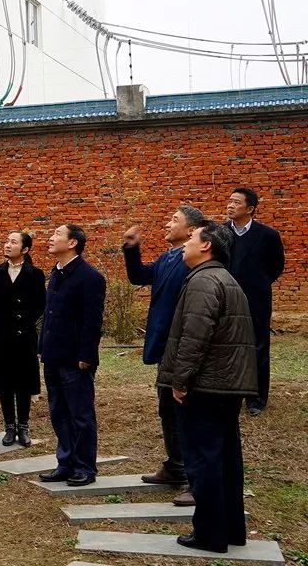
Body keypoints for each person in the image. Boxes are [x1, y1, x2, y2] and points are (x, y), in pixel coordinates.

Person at [157, 221, 257, 554]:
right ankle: (230, 531)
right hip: (225, 387)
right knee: (225, 459)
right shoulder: (224, 278)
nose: (184, 243)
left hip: (205, 387)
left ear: (206, 246)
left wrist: (180, 380)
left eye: (191, 238)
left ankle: (210, 534)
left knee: (203, 461)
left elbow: (194, 336)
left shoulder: (204, 281)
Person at [123, 205, 207, 505]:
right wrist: (132, 249)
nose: (168, 224)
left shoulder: (194, 260)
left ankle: (193, 477)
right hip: (164, 346)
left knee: (185, 413)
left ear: (192, 230)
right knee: (167, 410)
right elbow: (140, 277)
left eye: (175, 220)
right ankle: (175, 466)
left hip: (182, 346)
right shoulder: (169, 256)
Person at [38, 224, 106, 487]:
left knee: (80, 414)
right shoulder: (56, 273)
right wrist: (42, 346)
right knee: (58, 411)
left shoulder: (89, 277)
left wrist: (86, 355)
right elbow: (51, 314)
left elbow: (92, 321)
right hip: (53, 355)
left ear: (73, 243)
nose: (51, 238)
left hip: (76, 360)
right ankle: (65, 462)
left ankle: (85, 467)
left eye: (57, 235)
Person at [225, 187, 285, 416]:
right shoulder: (221, 233)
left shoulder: (267, 235)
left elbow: (276, 266)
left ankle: (256, 399)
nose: (230, 205)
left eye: (236, 202)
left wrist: (258, 283)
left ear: (250, 209)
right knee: (228, 345)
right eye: (229, 201)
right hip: (227, 298)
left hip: (256, 299)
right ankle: (230, 392)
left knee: (258, 346)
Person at [0, 231, 46, 447]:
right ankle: (9, 426)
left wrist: (24, 321)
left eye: (13, 242)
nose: (8, 245)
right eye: (7, 241)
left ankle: (24, 426)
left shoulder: (36, 274)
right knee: (5, 382)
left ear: (25, 249)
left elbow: (40, 304)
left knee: (24, 382)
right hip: (1, 336)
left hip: (25, 336)